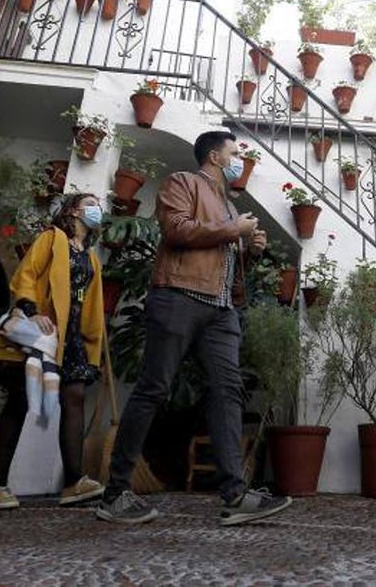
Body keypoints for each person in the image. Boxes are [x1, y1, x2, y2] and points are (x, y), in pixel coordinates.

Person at [97, 130, 291, 526]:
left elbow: (225, 265)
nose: (240, 160)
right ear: (216, 157)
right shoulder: (183, 183)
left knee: (228, 391)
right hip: (179, 297)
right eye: (235, 153)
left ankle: (235, 494)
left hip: (221, 311)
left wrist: (248, 250)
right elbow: (177, 231)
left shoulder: (229, 207)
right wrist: (232, 232)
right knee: (154, 387)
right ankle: (115, 492)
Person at [0, 193, 108, 510]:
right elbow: (27, 274)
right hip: (43, 334)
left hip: (72, 338)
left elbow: (91, 305)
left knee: (75, 397)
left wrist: (92, 346)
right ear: (73, 211)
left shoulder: (90, 256)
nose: (97, 209)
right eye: (90, 203)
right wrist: (30, 308)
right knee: (19, 402)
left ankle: (74, 482)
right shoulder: (51, 239)